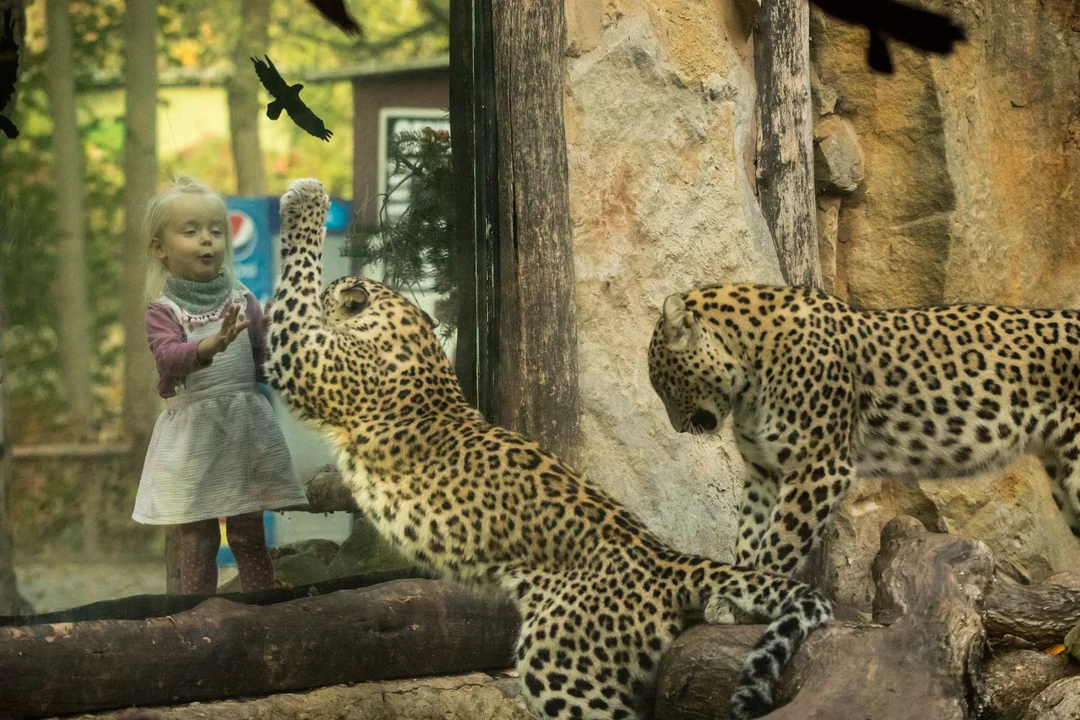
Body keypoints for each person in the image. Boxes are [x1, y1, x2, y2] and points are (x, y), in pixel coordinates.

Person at [133, 176, 306, 594]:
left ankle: (262, 615)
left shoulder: (242, 298)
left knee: (248, 535)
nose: (206, 241)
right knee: (198, 540)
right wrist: (209, 345)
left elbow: (265, 360)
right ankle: (197, 623)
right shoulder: (163, 310)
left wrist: (294, 358)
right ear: (161, 247)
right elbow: (168, 356)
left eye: (215, 229)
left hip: (244, 434)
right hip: (195, 442)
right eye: (190, 231)